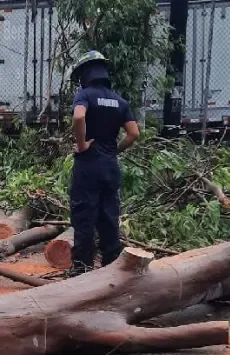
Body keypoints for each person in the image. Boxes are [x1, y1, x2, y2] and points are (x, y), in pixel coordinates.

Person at [67, 50, 140, 276]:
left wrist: (81, 144)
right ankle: (111, 267)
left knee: (84, 215)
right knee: (109, 216)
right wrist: (114, 150)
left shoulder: (85, 95)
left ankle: (83, 267)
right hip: (110, 165)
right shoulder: (119, 100)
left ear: (84, 74)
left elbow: (79, 116)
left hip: (88, 165)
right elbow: (134, 133)